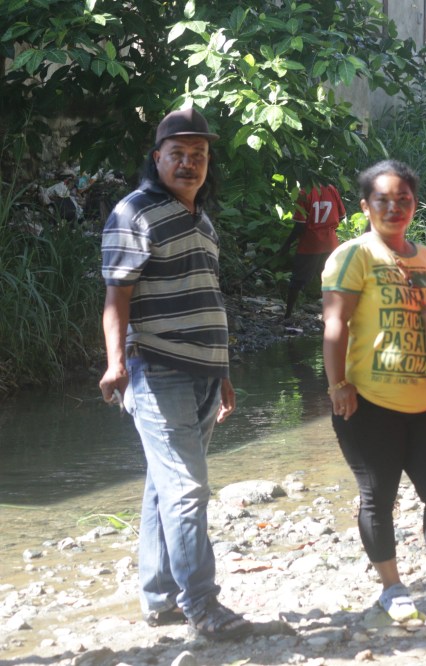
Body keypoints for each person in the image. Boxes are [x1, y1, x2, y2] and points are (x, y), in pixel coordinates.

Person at [320, 159, 426, 623]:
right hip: (368, 401)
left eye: (404, 200)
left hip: (424, 401)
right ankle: (392, 588)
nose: (394, 208)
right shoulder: (353, 255)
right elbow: (334, 325)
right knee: (377, 497)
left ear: (414, 204)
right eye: (384, 200)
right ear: (365, 206)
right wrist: (338, 386)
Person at [99, 108, 249, 640]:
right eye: (178, 154)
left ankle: (159, 598)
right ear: (157, 157)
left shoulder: (200, 221)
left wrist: (223, 371)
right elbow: (117, 296)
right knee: (187, 489)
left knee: (165, 489)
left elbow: (209, 299)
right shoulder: (134, 212)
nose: (189, 164)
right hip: (157, 368)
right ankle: (202, 605)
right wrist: (117, 362)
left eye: (199, 155)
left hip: (205, 372)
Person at [279, 183, 346, 320]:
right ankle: (334, 315)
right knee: (329, 280)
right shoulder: (332, 189)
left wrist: (286, 244)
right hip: (331, 243)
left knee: (297, 280)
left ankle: (288, 315)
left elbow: (300, 225)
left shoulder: (304, 192)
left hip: (310, 244)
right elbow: (341, 216)